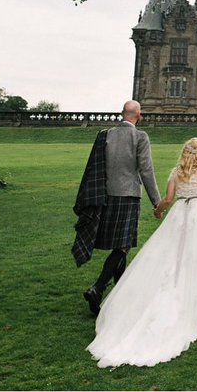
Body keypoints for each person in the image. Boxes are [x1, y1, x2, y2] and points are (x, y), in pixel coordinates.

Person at [87, 137, 197, 368]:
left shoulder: (176, 171)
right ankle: (194, 295)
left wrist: (158, 210)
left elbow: (168, 199)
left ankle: (171, 286)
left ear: (184, 152)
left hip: (180, 212)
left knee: (170, 253)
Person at [72, 100, 162, 316]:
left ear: (122, 114)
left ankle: (119, 295)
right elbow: (146, 171)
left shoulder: (105, 134)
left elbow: (94, 168)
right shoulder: (140, 137)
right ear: (138, 116)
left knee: (121, 246)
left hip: (106, 196)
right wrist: (156, 201)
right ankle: (98, 288)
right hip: (128, 196)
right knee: (122, 246)